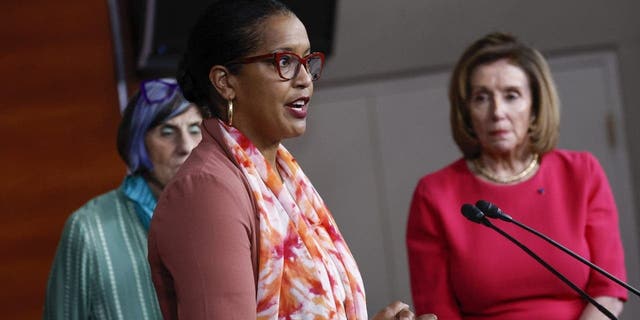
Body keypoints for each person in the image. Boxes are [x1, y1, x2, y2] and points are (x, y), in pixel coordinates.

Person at [146, 1, 437, 319]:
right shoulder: (205, 191)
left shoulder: (282, 175)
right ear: (226, 82)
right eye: (284, 61)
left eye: (307, 61)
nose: (305, 80)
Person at [406, 32, 628, 319]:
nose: (497, 112)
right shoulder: (434, 193)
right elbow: (437, 311)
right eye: (482, 98)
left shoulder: (581, 172)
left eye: (511, 95)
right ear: (467, 112)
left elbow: (608, 291)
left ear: (534, 107)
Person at [43, 78, 203, 319]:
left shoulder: (229, 212)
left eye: (195, 129)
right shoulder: (88, 229)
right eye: (167, 132)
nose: (186, 146)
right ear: (139, 143)